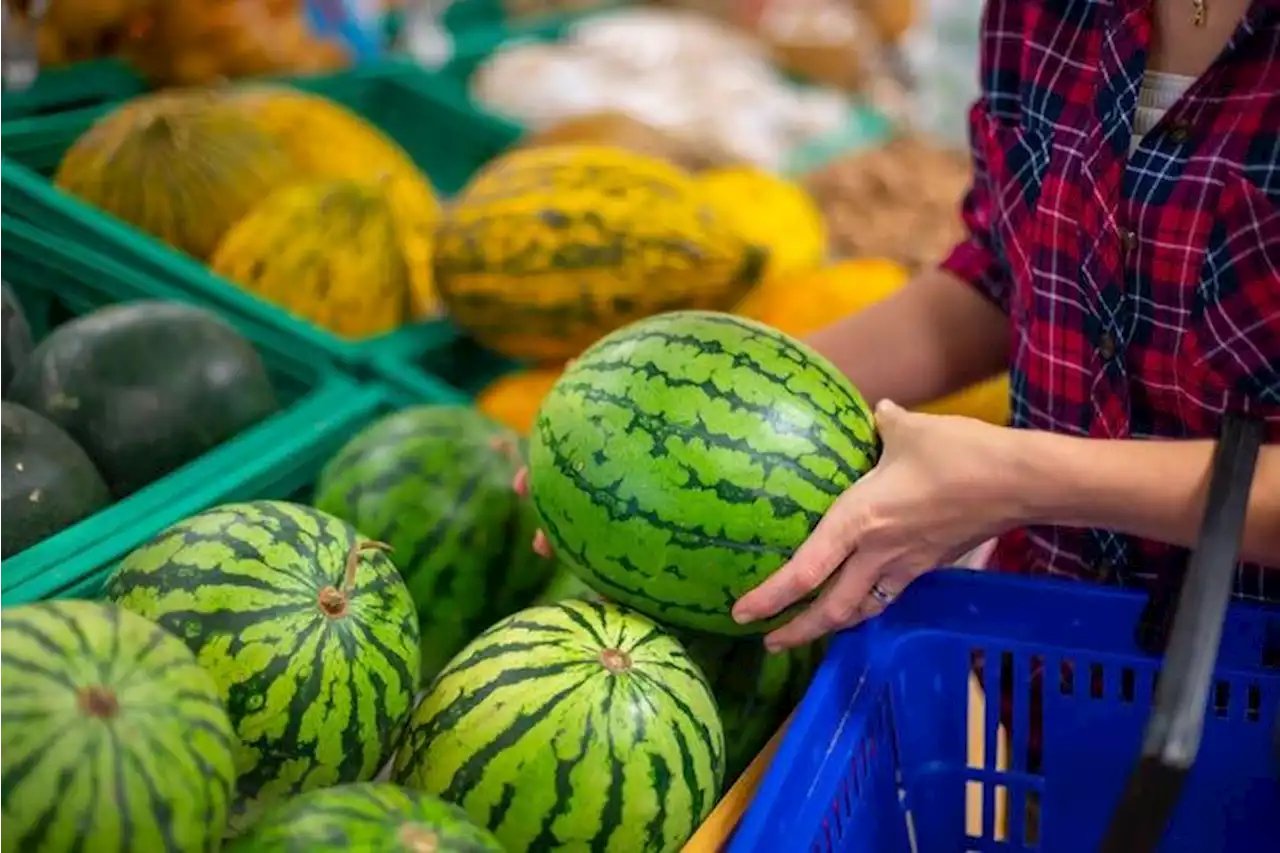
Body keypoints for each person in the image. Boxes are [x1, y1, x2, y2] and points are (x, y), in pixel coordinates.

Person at [516, 0, 1280, 652]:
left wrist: (1021, 480)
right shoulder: (1042, 11)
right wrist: (713, 403)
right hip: (1036, 636)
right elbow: (1010, 273)